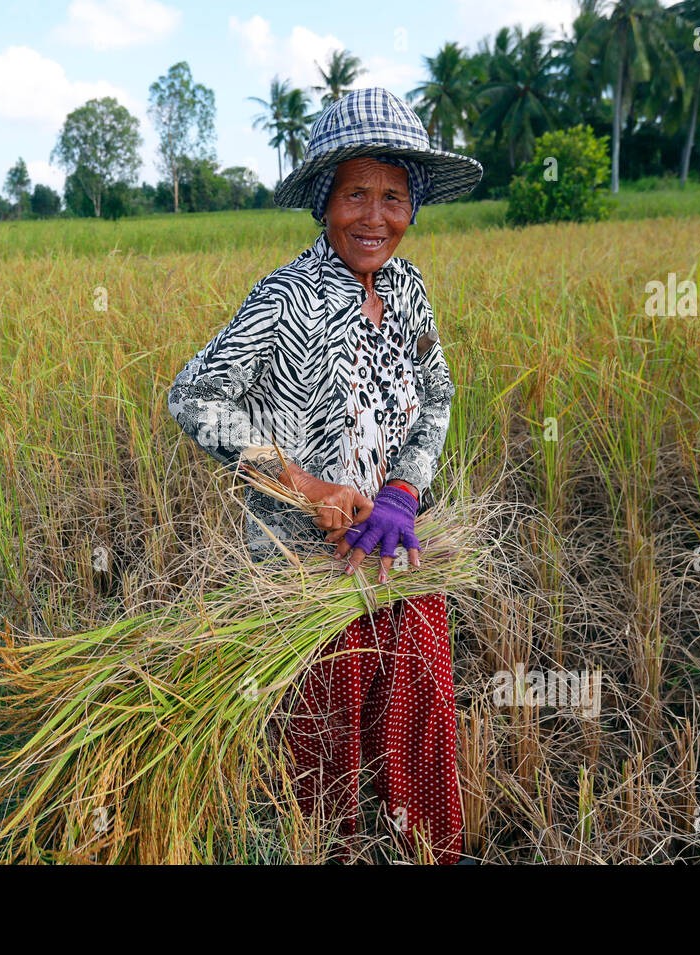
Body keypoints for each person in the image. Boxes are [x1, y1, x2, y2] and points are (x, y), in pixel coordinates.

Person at [167, 87, 482, 864]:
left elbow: (436, 393)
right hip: (301, 577)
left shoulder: (408, 293)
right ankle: (322, 853)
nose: (375, 217)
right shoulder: (285, 296)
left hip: (395, 555)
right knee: (319, 747)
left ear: (415, 208)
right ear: (323, 200)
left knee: (414, 717)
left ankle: (420, 851)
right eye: (355, 195)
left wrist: (405, 489)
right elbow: (192, 396)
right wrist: (307, 487)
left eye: (394, 197)